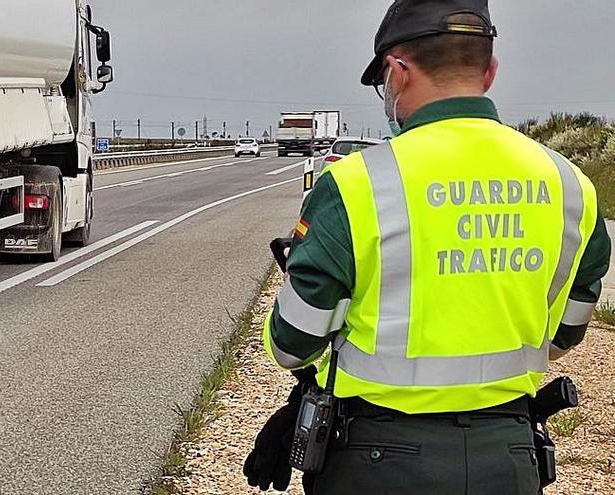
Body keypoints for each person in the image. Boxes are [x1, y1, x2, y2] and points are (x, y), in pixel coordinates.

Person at [244, 1, 611, 494]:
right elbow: (567, 334)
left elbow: (292, 343)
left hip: (374, 460)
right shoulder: (570, 185)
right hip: (509, 455)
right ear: (490, 71)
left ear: (396, 71)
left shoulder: (357, 185)